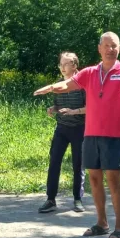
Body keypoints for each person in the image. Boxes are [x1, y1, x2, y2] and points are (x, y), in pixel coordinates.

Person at [34, 32, 120, 238]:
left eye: (114, 46)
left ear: (119, 48)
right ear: (99, 48)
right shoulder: (90, 72)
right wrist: (50, 88)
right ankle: (102, 224)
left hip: (114, 135)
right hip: (91, 133)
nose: (111, 49)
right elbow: (67, 84)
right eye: (107, 45)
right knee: (94, 178)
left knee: (113, 181)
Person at [38, 52, 87, 213]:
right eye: (61, 64)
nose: (62, 67)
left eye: (66, 64)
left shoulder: (83, 84)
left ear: (74, 65)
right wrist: (53, 108)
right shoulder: (59, 84)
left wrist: (74, 112)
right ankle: (50, 200)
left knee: (78, 164)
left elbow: (91, 108)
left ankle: (78, 199)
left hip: (79, 129)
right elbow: (59, 105)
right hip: (62, 128)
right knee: (54, 162)